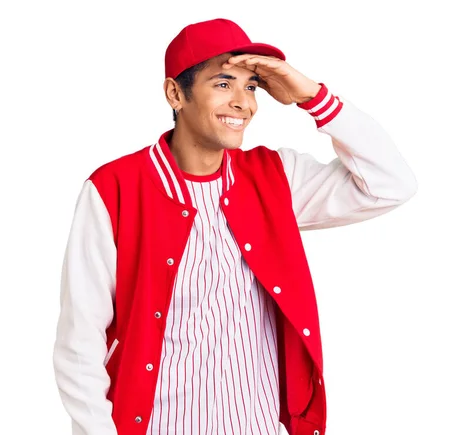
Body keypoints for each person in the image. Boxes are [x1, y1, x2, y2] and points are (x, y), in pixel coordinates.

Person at [52, 17, 417, 435]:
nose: (243, 103)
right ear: (175, 93)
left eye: (251, 86)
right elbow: (79, 341)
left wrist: (312, 97)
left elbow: (391, 184)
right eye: (223, 84)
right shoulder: (114, 189)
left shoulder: (276, 177)